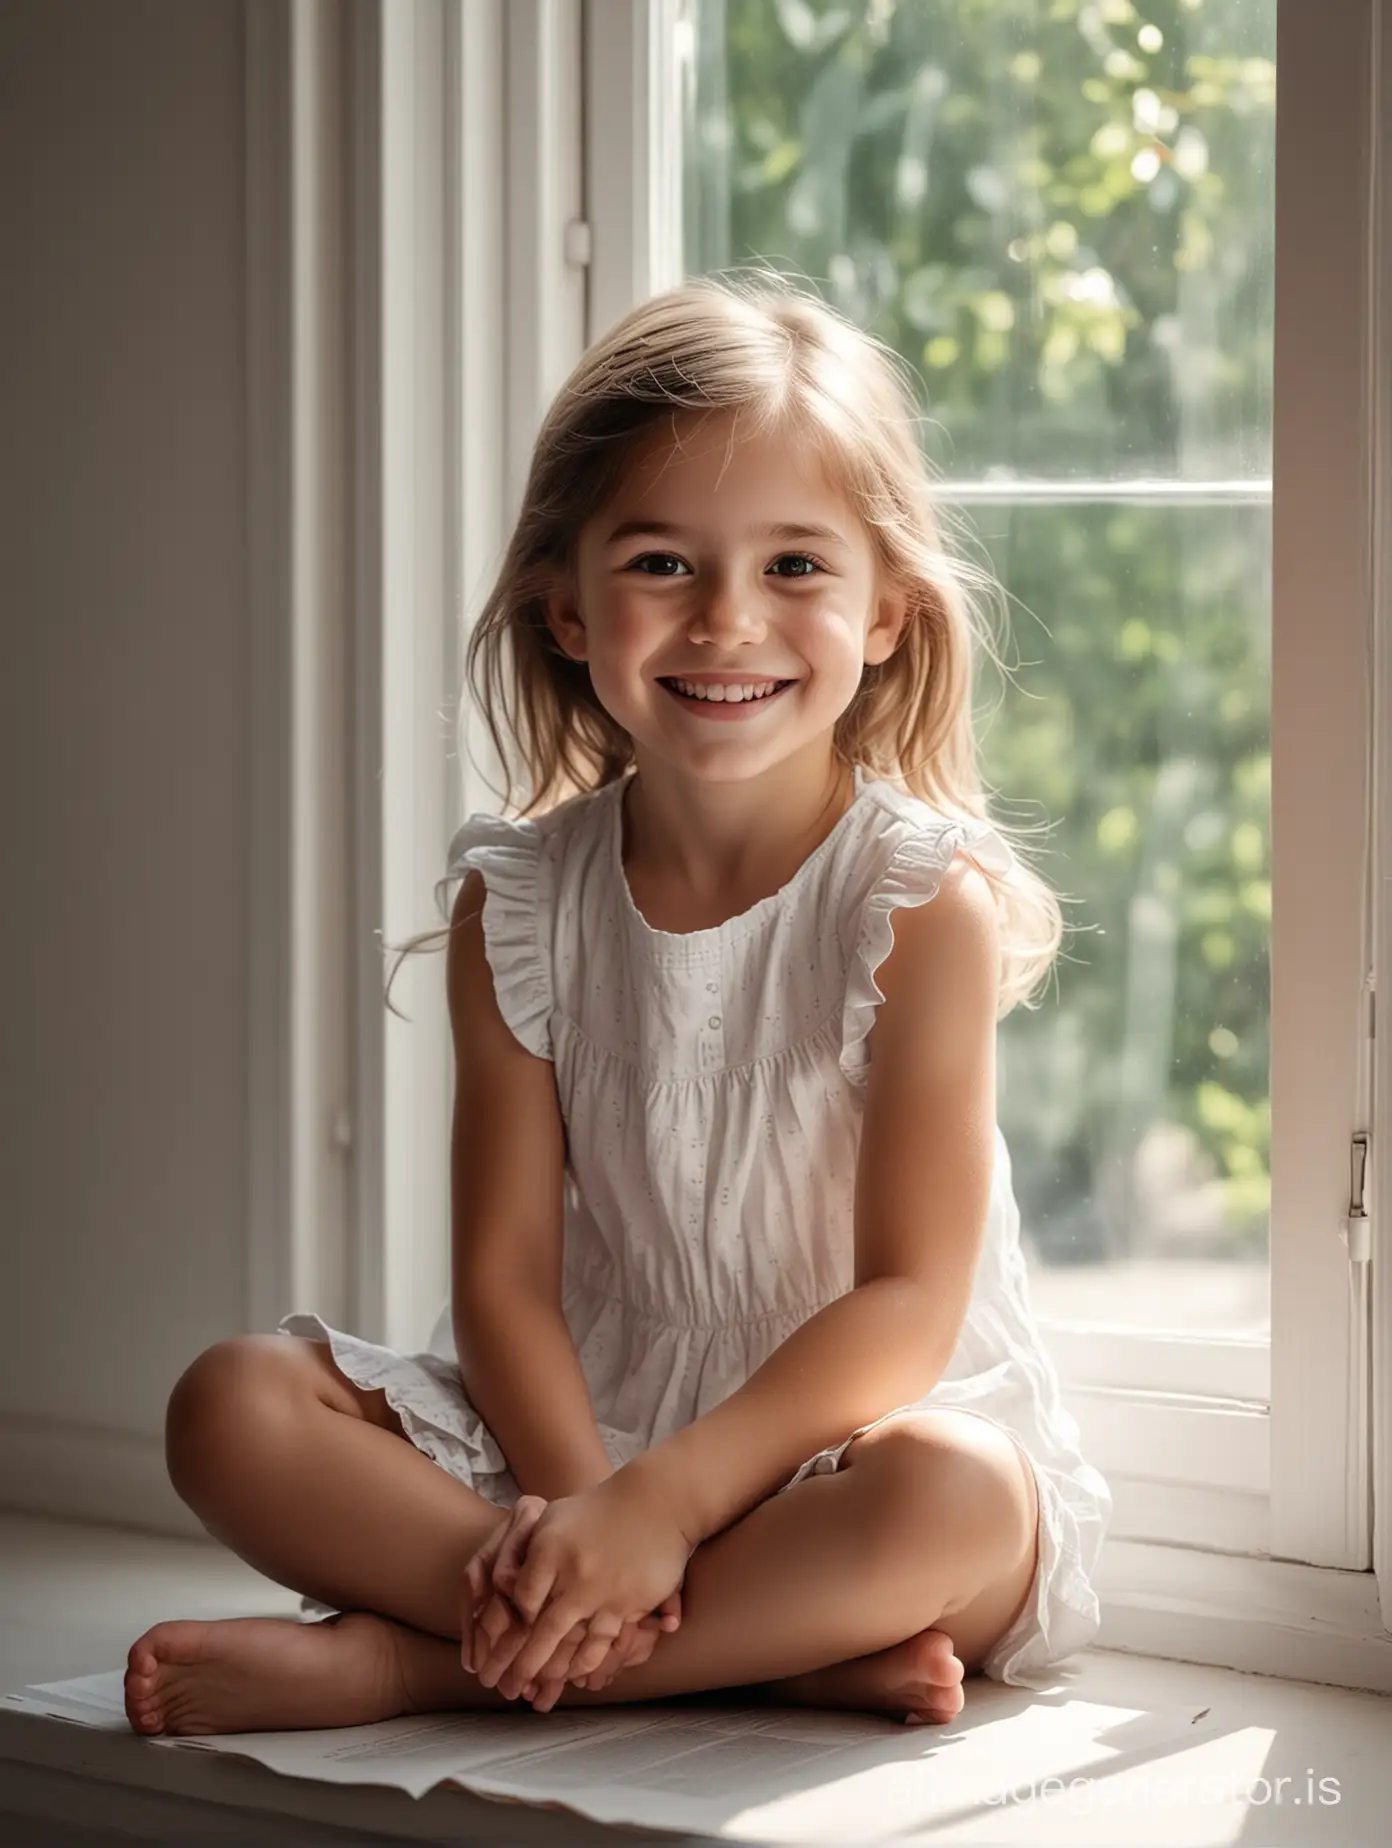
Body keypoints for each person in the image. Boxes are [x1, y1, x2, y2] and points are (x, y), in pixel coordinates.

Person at [124, 273, 1110, 1741]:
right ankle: (747, 1649)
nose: (727, 621)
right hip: (576, 1437)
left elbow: (909, 1303)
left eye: (794, 567)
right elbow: (508, 1279)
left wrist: (672, 1508)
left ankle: (420, 1667)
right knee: (231, 1407)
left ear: (888, 612)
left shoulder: (917, 907)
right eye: (662, 562)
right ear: (567, 611)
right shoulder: (515, 908)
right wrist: (591, 1515)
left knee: (951, 1501)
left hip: (844, 1441)